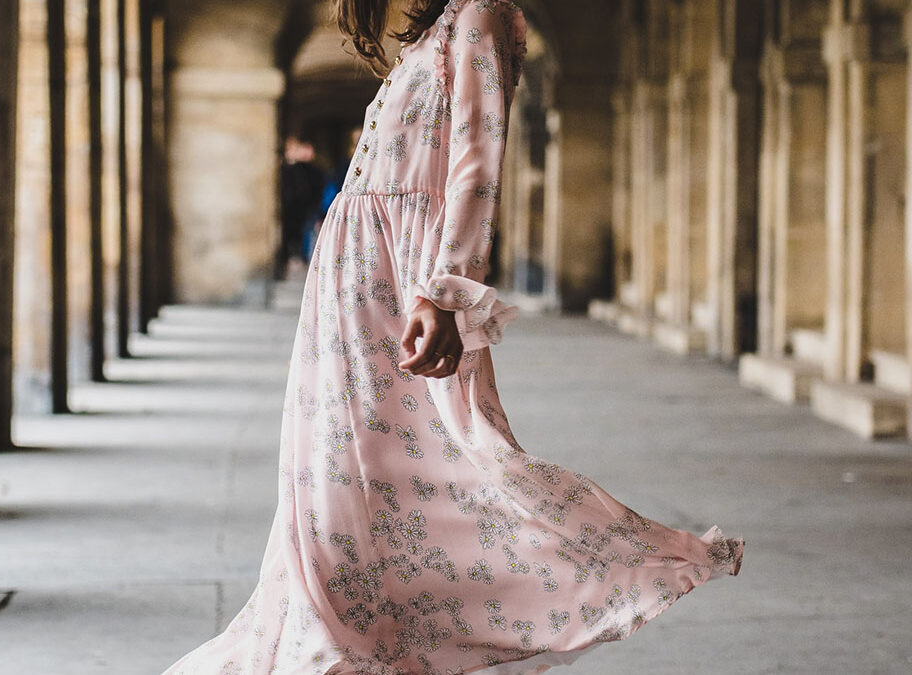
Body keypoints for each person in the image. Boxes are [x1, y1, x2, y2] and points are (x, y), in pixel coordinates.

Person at [163, 1, 743, 672]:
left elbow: (476, 165)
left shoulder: (481, 15)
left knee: (441, 462)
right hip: (351, 292)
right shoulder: (429, 39)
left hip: (397, 285)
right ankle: (342, 628)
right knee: (333, 476)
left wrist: (447, 290)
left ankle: (601, 570)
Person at [277, 137, 326, 279]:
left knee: (305, 235)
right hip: (293, 209)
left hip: (306, 209)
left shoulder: (312, 171)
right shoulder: (290, 170)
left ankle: (303, 260)